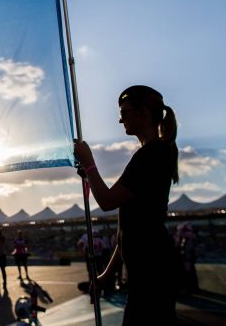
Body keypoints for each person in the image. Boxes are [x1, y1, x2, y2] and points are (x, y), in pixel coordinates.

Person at [75, 85, 179, 325]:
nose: (120, 119)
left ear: (143, 112)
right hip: (151, 270)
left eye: (125, 111)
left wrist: (89, 163)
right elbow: (128, 232)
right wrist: (106, 274)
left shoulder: (150, 155)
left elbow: (107, 201)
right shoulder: (155, 152)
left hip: (152, 272)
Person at [175, 221, 199, 294]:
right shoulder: (183, 239)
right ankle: (190, 288)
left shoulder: (187, 239)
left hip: (187, 259)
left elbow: (188, 250)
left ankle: (190, 288)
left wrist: (188, 260)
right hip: (185, 259)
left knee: (188, 273)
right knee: (188, 273)